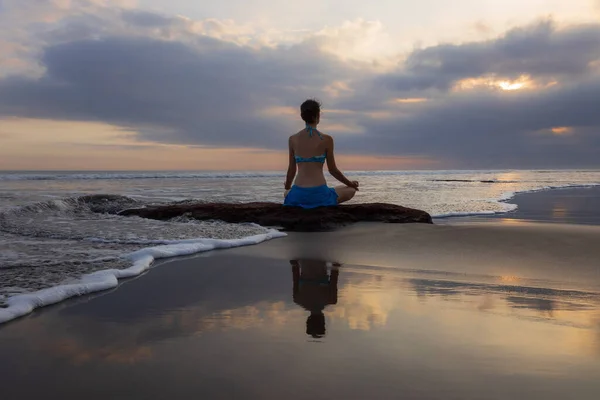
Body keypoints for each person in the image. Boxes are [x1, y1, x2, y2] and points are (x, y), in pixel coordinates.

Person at [283, 99, 359, 209]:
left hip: (298, 195)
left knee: (287, 193)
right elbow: (333, 170)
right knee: (350, 190)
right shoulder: (327, 140)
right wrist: (350, 184)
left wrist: (287, 186)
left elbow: (291, 170)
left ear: (302, 116)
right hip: (319, 195)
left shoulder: (292, 139)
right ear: (318, 115)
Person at [291, 260, 340, 338]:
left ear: (323, 321)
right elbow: (295, 270)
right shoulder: (298, 299)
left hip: (322, 258)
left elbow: (334, 272)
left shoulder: (331, 299)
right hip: (305, 260)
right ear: (308, 320)